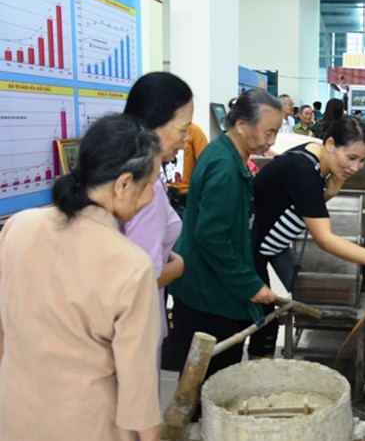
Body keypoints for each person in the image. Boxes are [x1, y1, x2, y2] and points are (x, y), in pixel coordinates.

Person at [0, 114, 163, 441]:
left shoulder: (18, 227)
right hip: (88, 425)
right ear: (123, 185)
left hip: (15, 417)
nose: (150, 198)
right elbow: (138, 398)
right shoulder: (131, 266)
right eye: (150, 186)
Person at [251, 116, 365, 357]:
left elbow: (302, 207)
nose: (355, 167)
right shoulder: (304, 171)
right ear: (330, 144)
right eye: (351, 158)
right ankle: (255, 380)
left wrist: (330, 192)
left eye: (362, 161)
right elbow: (325, 239)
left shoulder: (316, 159)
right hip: (248, 250)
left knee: (278, 312)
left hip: (268, 248)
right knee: (261, 323)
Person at [168, 89, 281, 392]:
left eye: (276, 132)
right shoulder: (225, 167)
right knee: (210, 386)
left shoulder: (225, 154)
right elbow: (212, 236)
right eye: (269, 131)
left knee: (201, 384)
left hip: (207, 290)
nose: (272, 141)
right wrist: (250, 284)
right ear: (243, 125)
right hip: (207, 298)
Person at [123, 72, 192, 371]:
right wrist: (177, 266)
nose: (187, 138)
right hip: (134, 329)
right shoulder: (145, 188)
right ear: (155, 123)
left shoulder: (125, 171)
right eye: (183, 128)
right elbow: (140, 280)